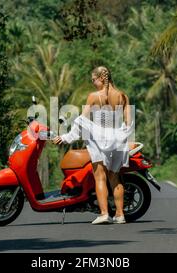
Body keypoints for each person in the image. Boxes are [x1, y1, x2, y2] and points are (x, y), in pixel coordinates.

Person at [53, 66, 134, 224]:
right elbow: (129, 123)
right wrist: (120, 136)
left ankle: (104, 214)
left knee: (100, 177)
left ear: (100, 78)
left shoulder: (93, 96)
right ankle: (120, 215)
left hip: (100, 139)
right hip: (118, 139)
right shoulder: (123, 96)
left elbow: (81, 122)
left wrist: (66, 138)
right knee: (115, 178)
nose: (92, 83)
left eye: (93, 80)